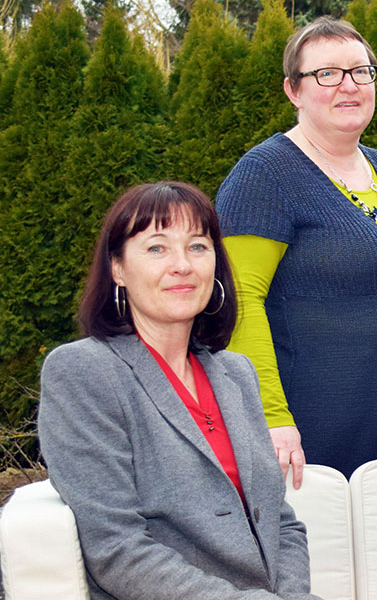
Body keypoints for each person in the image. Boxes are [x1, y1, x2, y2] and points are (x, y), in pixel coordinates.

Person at [37, 182, 320, 600]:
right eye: (156, 248)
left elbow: (282, 522)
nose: (182, 265)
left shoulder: (235, 373)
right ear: (117, 268)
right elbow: (115, 549)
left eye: (197, 247)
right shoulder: (83, 372)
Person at [215, 17, 377, 480]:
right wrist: (271, 417)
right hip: (316, 421)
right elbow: (239, 299)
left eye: (361, 71)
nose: (349, 85)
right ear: (293, 90)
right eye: (327, 74)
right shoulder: (265, 173)